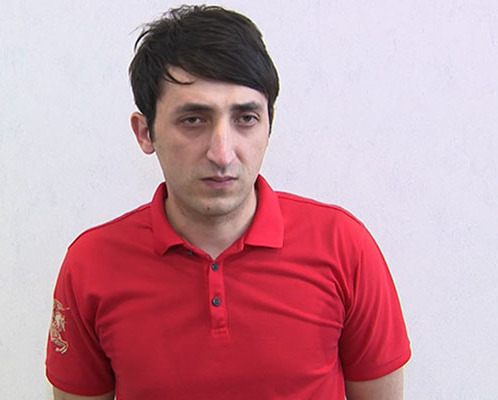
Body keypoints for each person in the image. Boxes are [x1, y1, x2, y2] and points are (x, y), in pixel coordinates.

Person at [46, 5, 411, 400]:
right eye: (193, 120)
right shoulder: (91, 265)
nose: (222, 153)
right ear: (145, 132)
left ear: (269, 124)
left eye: (246, 118)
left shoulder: (344, 247)